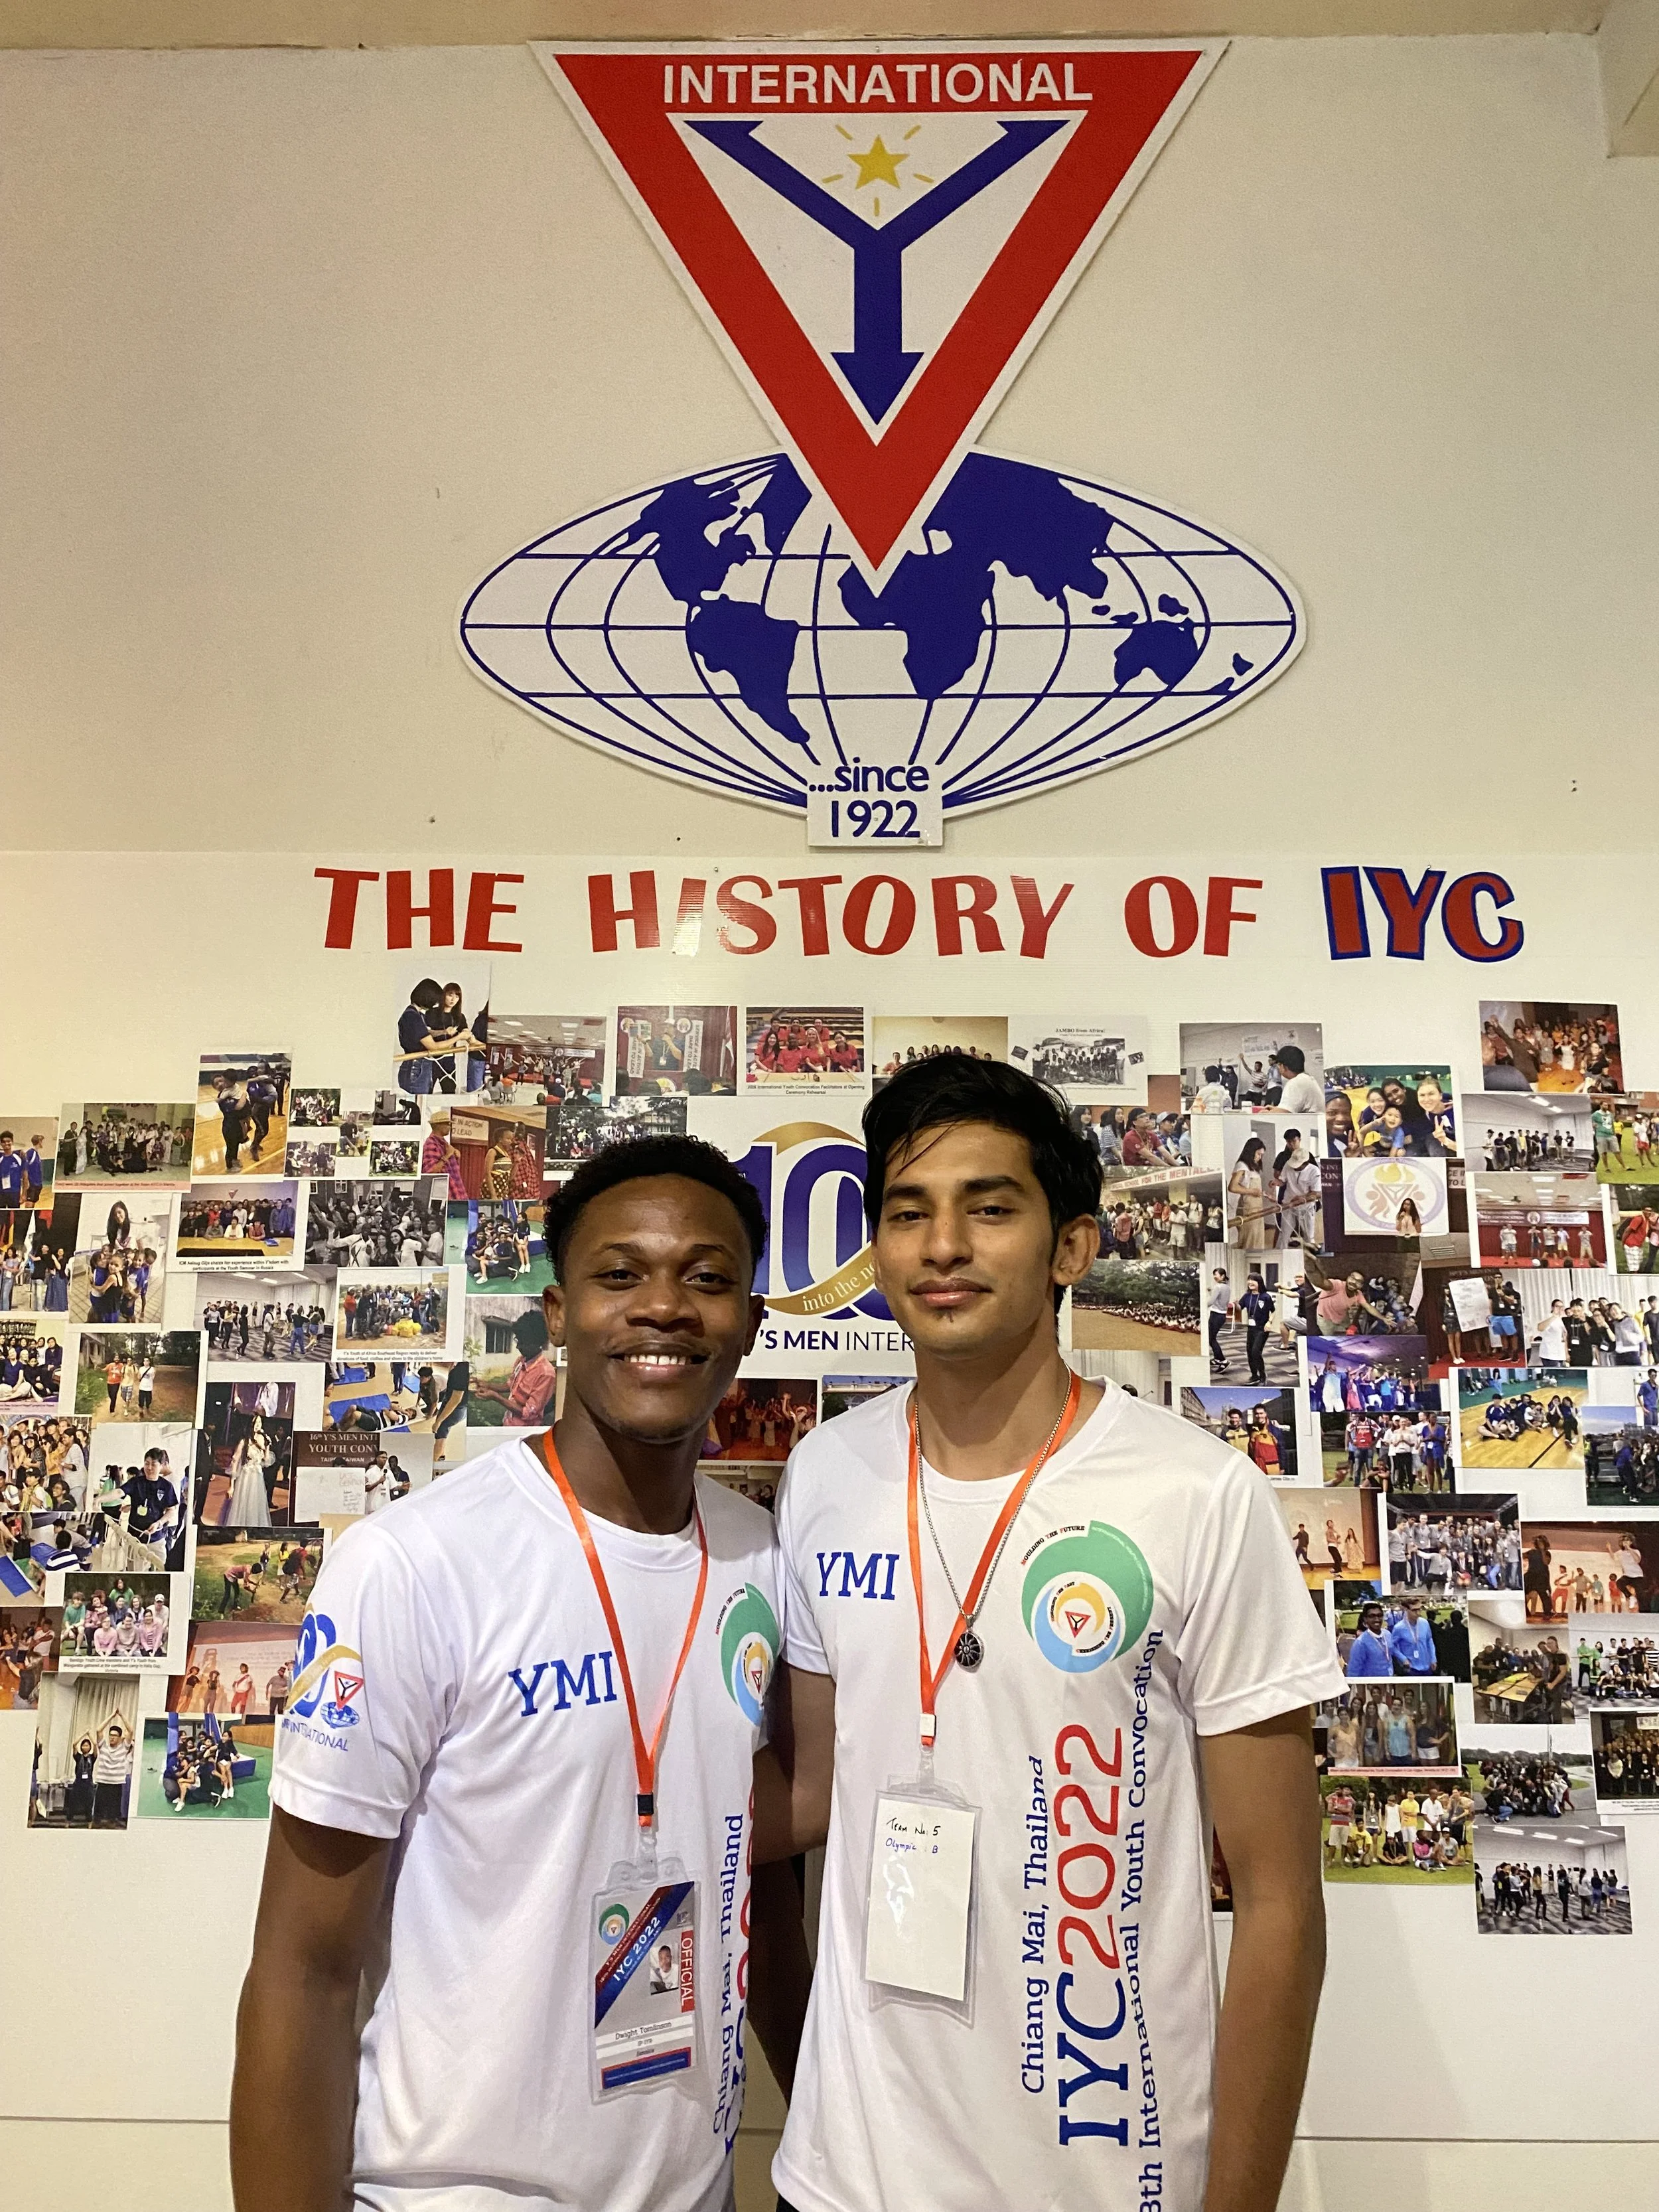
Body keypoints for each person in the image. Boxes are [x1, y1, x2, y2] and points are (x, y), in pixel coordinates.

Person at [757, 1054, 1342, 2212]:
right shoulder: (824, 1473)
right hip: (843, 2180)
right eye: (908, 1213)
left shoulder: (1196, 1492)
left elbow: (1281, 1903)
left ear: (1071, 1247)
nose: (943, 1247)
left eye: (990, 1207)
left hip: (1103, 2172)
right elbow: (809, 1794)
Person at [233, 1136, 804, 2212]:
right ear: (556, 1313)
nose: (665, 1307)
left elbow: (756, 1876)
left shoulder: (764, 1560)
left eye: (709, 1279)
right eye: (620, 1274)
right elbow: (302, 1974)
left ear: (751, 1329)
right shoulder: (411, 1563)